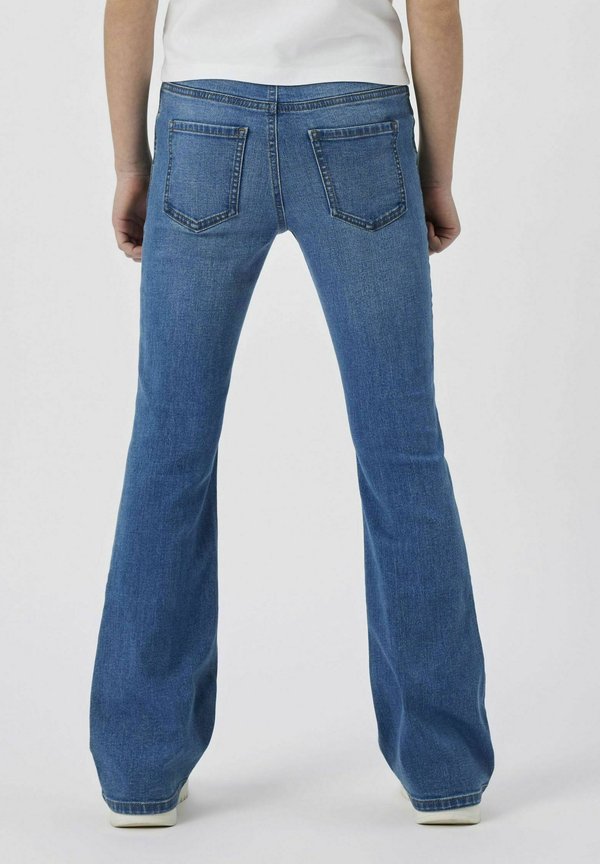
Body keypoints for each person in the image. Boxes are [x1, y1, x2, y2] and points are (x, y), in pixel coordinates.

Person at [89, 0, 495, 828]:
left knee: (169, 446)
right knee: (403, 449)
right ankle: (443, 771)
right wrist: (436, 175)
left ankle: (138, 771)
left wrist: (132, 162)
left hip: (203, 119)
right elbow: (436, 12)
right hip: (360, 119)